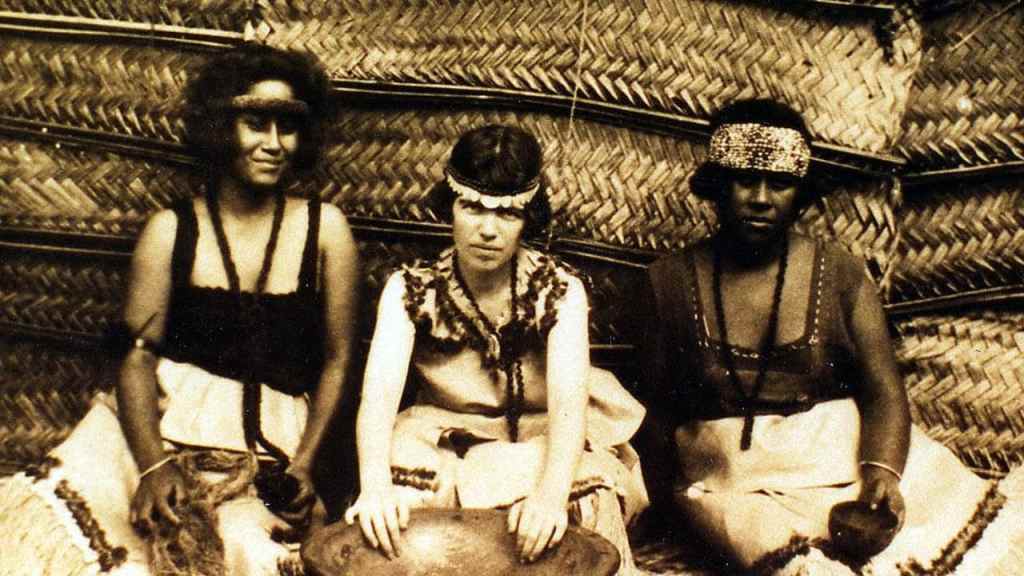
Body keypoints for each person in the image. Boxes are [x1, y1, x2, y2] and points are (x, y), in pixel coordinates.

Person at [0, 43, 359, 575]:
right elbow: (137, 358)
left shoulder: (325, 229)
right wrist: (152, 466)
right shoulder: (170, 232)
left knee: (253, 552)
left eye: (287, 128)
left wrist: (305, 465)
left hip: (272, 452)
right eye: (255, 125)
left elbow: (338, 357)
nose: (273, 144)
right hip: (160, 435)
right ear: (221, 129)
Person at [639, 98, 1024, 574]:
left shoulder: (841, 275)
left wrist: (882, 475)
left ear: (799, 195)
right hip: (733, 480)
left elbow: (884, 390)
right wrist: (657, 505)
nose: (760, 198)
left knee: (961, 542)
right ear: (718, 187)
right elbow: (655, 409)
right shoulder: (669, 281)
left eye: (779, 184)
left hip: (840, 456)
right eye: (744, 180)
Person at [343, 124, 648, 575]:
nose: (488, 230)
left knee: (571, 516)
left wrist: (548, 497)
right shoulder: (410, 289)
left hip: (542, 438)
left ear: (529, 217)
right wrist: (373, 487)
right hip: (444, 440)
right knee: (395, 515)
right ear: (450, 205)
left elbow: (568, 407)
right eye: (472, 207)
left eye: (507, 213)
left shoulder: (559, 290)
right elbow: (378, 401)